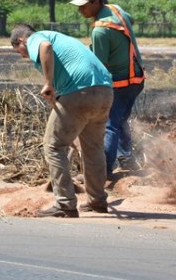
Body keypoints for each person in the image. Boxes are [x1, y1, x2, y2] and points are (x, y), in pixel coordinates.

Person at [10, 23, 113, 217]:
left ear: (21, 40)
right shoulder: (62, 38)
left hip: (79, 92)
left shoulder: (36, 39)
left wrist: (48, 83)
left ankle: (65, 204)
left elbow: (44, 48)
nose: (24, 56)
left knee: (53, 146)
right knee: (93, 148)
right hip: (105, 91)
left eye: (20, 52)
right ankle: (97, 201)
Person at [70, 0, 146, 180]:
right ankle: (126, 159)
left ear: (96, 2)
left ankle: (102, 171)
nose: (80, 11)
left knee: (109, 124)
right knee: (120, 120)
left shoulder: (101, 30)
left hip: (120, 83)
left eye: (84, 6)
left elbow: (99, 64)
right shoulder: (115, 9)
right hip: (137, 78)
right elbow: (131, 19)